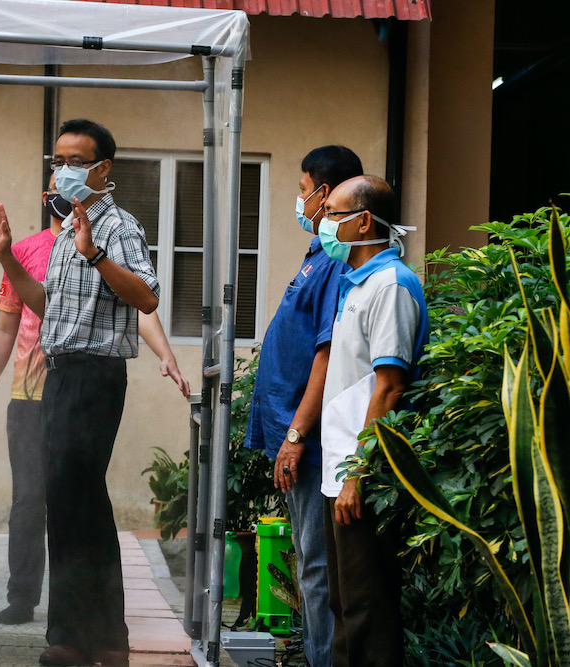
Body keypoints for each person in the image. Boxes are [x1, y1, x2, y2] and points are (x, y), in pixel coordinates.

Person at [0, 175, 189, 626]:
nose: (62, 183)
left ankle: (82, 615)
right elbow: (8, 326)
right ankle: (24, 595)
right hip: (31, 391)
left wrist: (165, 353)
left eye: (73, 167)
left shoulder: (101, 238)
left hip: (80, 384)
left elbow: (138, 306)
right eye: (55, 174)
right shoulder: (36, 247)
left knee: (75, 498)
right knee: (31, 499)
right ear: (46, 194)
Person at [0, 118, 159, 667]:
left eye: (76, 161)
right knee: (68, 504)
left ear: (103, 168)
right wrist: (7, 257)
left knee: (76, 500)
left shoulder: (118, 228)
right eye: (58, 160)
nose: (64, 171)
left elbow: (148, 299)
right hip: (58, 373)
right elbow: (47, 308)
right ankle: (89, 638)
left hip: (95, 374)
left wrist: (95, 254)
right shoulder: (65, 230)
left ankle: (86, 638)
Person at [243, 145, 362, 666]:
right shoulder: (318, 254)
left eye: (303, 187)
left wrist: (294, 436)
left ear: (327, 192)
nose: (300, 198)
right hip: (291, 432)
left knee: (316, 566)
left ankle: (322, 661)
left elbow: (326, 354)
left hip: (309, 443)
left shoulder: (336, 265)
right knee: (310, 563)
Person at [319, 175, 428, 666]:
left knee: (367, 606)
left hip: (364, 476)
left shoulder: (391, 285)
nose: (323, 222)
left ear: (364, 221)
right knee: (344, 602)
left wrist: (359, 474)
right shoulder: (356, 283)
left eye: (334, 213)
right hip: (339, 474)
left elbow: (389, 386)